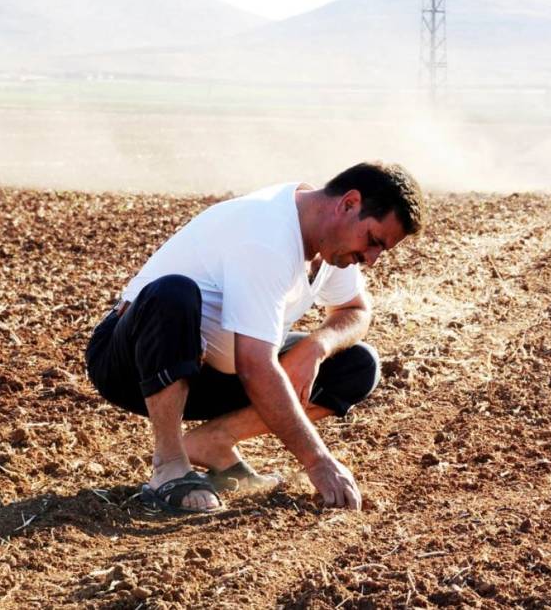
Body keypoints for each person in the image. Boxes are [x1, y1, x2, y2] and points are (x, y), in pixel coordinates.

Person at [84, 162, 424, 514]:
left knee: (357, 364)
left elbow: (355, 310)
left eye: (380, 250)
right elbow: (254, 365)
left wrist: (317, 346)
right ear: (349, 203)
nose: (370, 259)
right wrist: (318, 461)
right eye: (372, 241)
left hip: (214, 371)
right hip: (133, 363)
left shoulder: (331, 247)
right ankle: (169, 466)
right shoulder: (267, 234)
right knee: (173, 293)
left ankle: (214, 440)